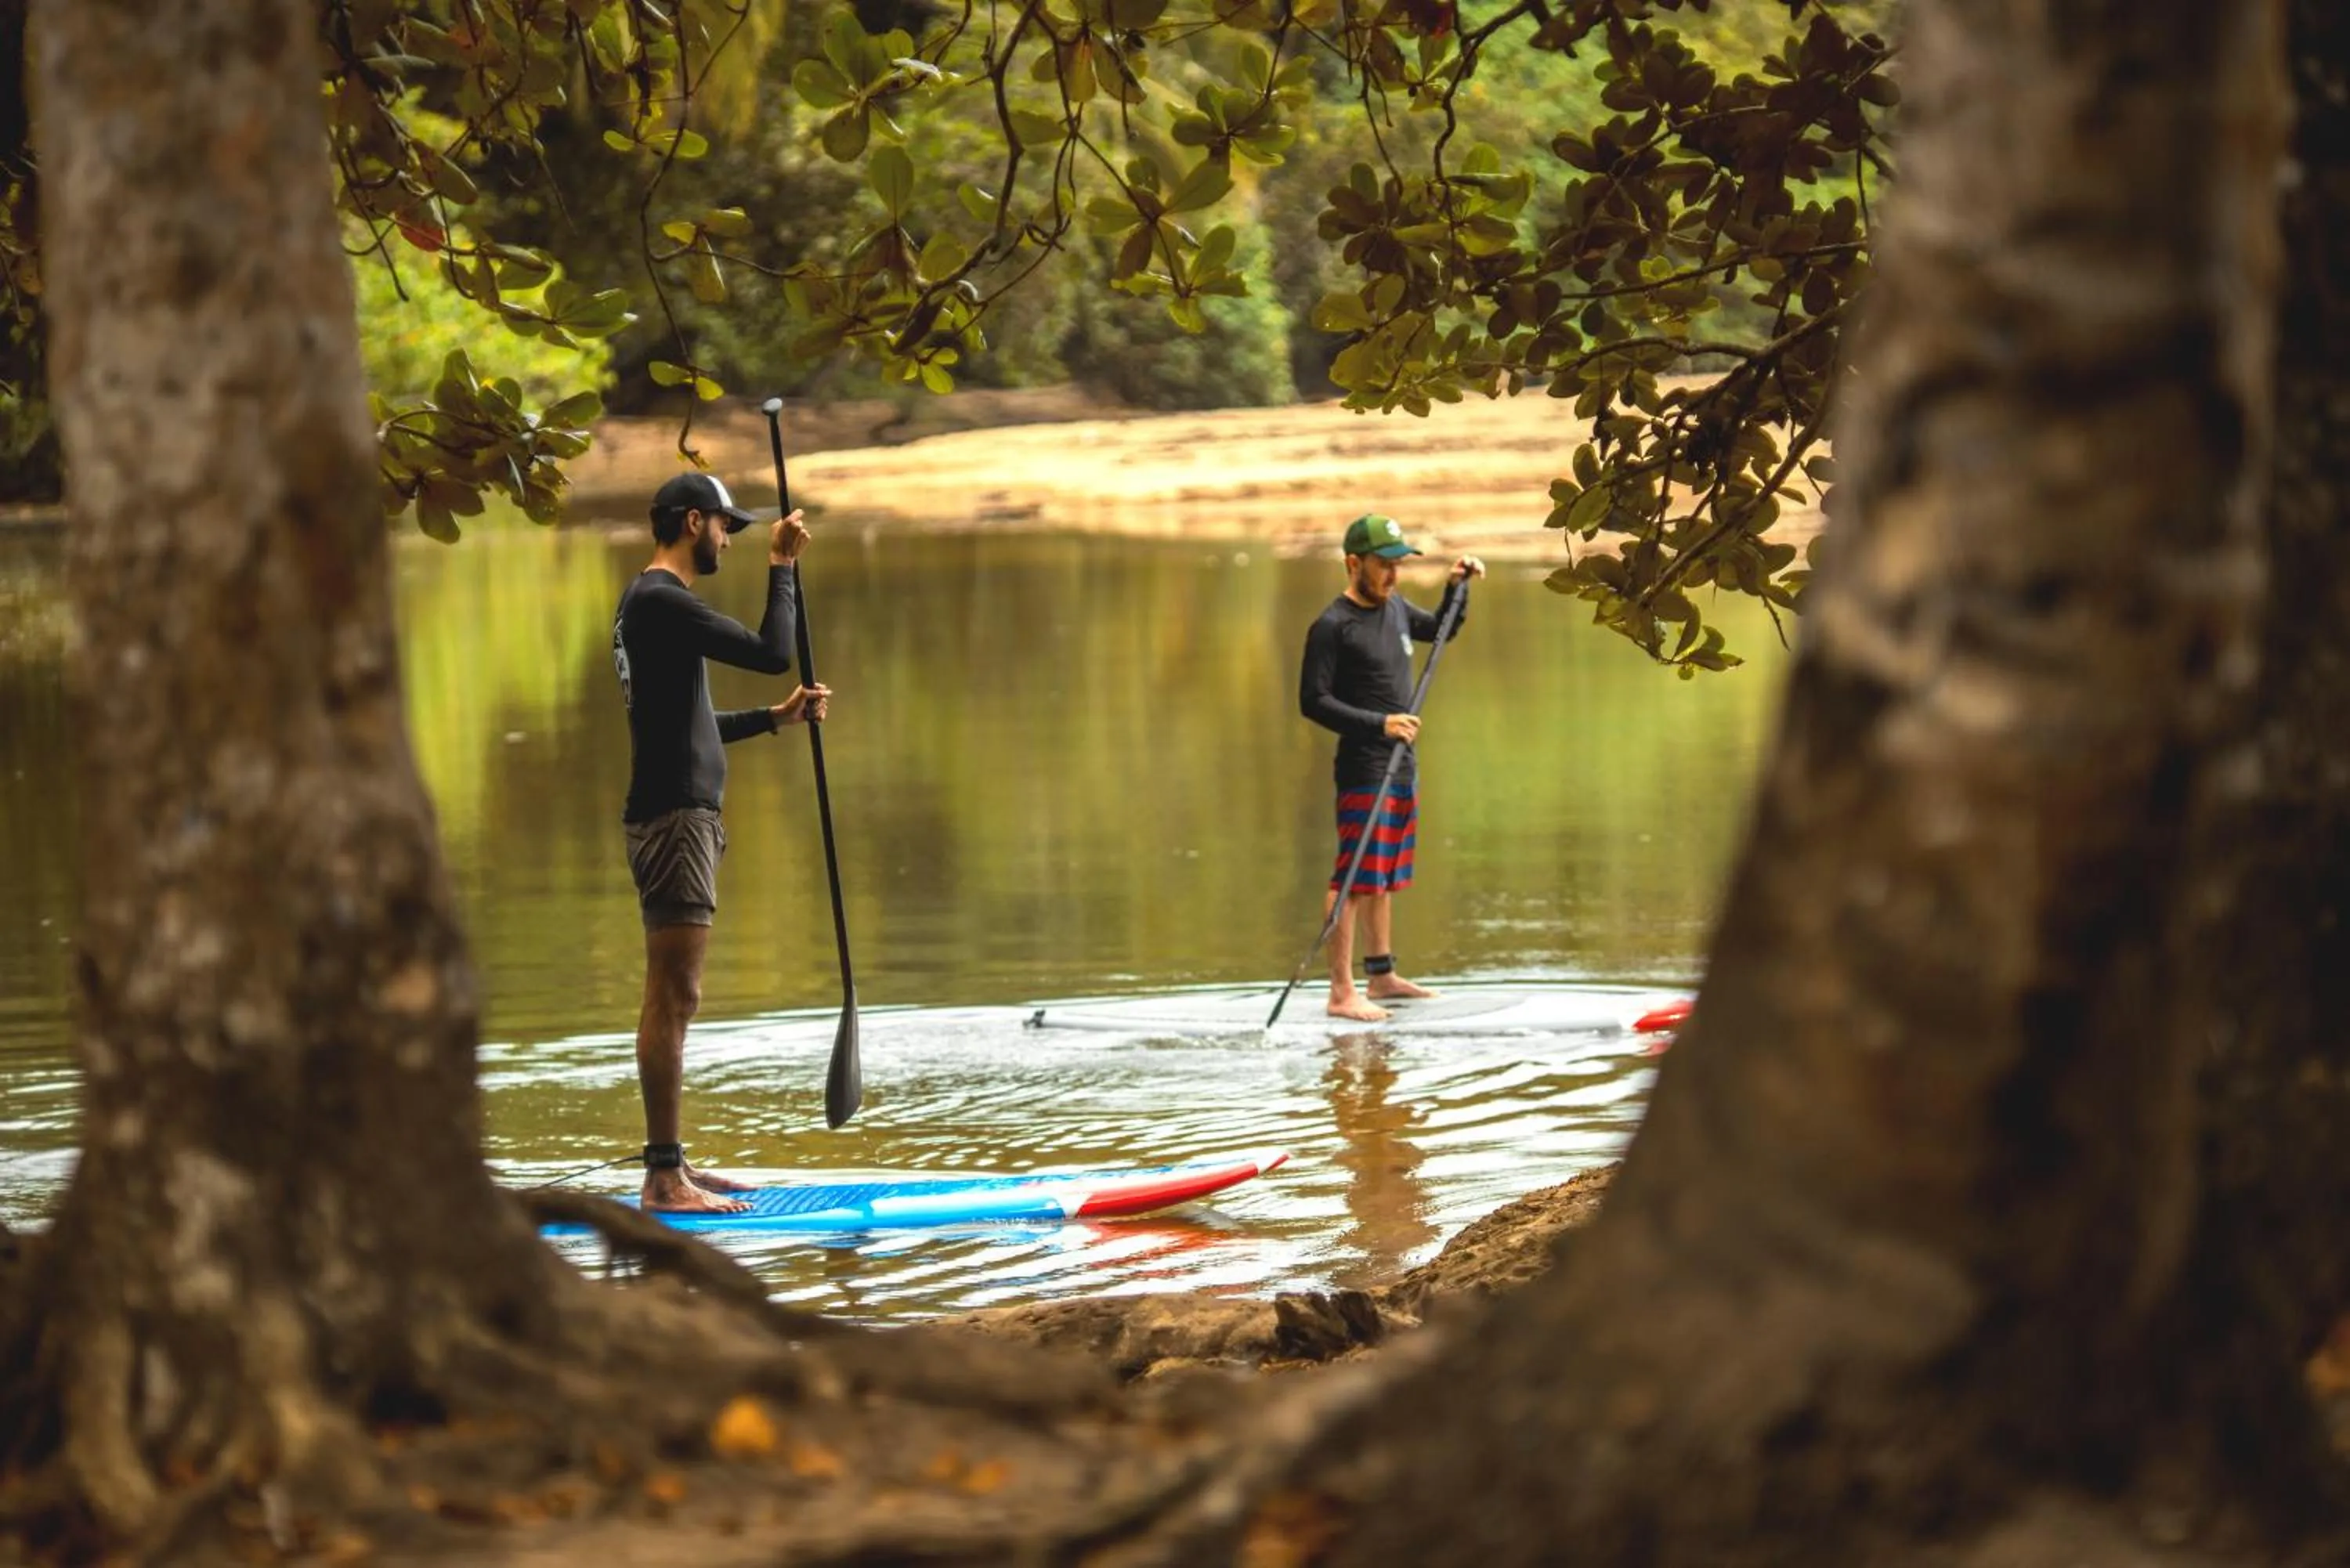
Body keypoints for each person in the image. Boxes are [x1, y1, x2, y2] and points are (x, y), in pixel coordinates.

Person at [613, 470, 831, 1213]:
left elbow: (692, 724)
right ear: (689, 521)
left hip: (681, 815)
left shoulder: (650, 606)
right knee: (674, 996)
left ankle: (673, 1165)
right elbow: (775, 649)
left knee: (678, 994)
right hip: (674, 821)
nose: (729, 540)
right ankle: (664, 1180)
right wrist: (783, 565)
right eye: (723, 527)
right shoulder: (662, 601)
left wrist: (777, 719)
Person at [1298, 514, 1484, 1023]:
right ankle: (1341, 993)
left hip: (1402, 765)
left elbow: (1443, 632)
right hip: (1364, 766)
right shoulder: (1332, 626)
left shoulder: (1397, 608)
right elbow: (1313, 702)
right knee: (1353, 878)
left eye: (1398, 565)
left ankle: (1380, 977)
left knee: (1383, 876)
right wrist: (1380, 724)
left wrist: (1457, 588)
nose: (1393, 576)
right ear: (1353, 563)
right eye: (1383, 565)